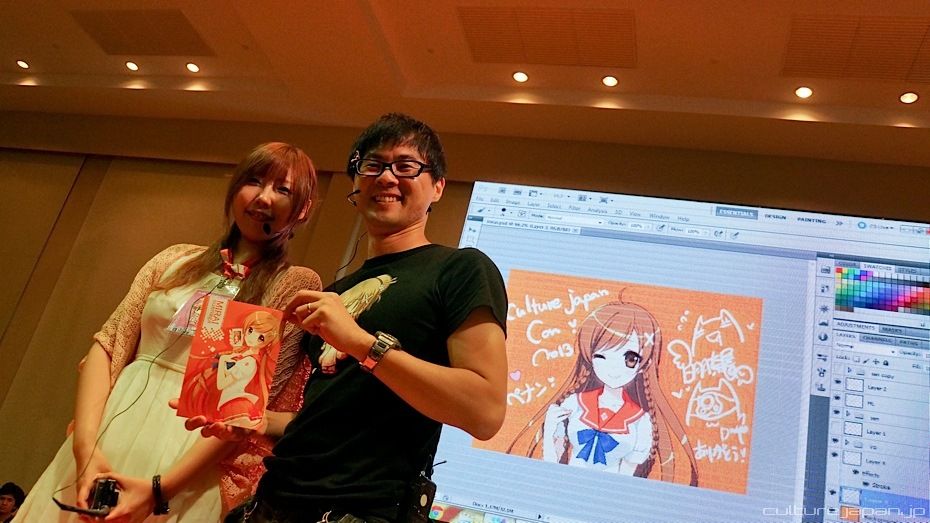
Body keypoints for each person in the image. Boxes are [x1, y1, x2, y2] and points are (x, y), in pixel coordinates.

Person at [186, 113, 509, 523]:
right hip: (271, 500)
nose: (387, 177)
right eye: (373, 165)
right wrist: (257, 421)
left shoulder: (461, 270)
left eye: (406, 166)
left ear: (438, 187)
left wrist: (359, 342)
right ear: (356, 183)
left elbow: (484, 412)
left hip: (359, 510)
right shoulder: (337, 293)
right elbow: (327, 417)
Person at [14, 142, 322, 522]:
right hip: (111, 427)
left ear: (302, 209)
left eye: (282, 189)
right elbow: (108, 345)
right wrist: (86, 450)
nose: (263, 197)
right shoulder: (175, 258)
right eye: (254, 181)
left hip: (190, 455)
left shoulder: (293, 283)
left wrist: (161, 489)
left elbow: (246, 410)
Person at [507, 299, 699, 485]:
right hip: (564, 486)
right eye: (602, 356)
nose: (614, 369)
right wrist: (549, 430)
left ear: (643, 364)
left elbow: (626, 478)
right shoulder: (574, 404)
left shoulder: (640, 421)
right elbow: (552, 462)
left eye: (630, 358)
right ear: (590, 356)